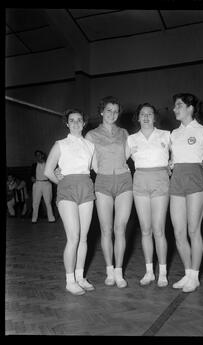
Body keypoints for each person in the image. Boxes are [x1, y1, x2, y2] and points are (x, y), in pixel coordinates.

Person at [169, 93, 203, 292]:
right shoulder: (173, 134)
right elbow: (174, 160)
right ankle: (187, 273)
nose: (175, 109)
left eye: (178, 105)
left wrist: (198, 173)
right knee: (179, 232)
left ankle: (195, 276)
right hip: (177, 182)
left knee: (193, 230)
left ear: (190, 108)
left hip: (196, 184)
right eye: (175, 106)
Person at [44, 109, 96, 296]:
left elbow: (96, 167)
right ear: (67, 123)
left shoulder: (90, 145)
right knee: (73, 237)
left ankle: (80, 276)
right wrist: (63, 183)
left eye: (79, 120)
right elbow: (48, 171)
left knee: (83, 237)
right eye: (71, 120)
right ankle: (70, 280)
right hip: (67, 191)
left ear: (84, 123)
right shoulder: (60, 144)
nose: (75, 123)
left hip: (86, 188)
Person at [85, 96, 133, 288]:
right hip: (103, 181)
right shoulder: (91, 135)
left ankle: (119, 272)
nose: (112, 114)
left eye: (115, 111)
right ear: (101, 112)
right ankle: (109, 270)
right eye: (109, 110)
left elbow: (130, 155)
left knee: (120, 228)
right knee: (106, 229)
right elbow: (90, 162)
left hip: (124, 181)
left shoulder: (124, 133)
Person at [126, 103, 170, 287]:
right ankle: (149, 271)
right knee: (145, 229)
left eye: (149, 114)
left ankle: (163, 273)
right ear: (138, 118)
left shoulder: (166, 135)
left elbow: (181, 155)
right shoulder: (131, 139)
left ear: (154, 117)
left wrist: (173, 164)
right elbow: (119, 160)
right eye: (142, 114)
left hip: (160, 178)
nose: (145, 117)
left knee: (158, 229)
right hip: (140, 180)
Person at [31, 150, 56, 223]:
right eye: (36, 155)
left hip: (46, 184)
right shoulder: (34, 165)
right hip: (37, 183)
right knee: (35, 202)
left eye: (39, 155)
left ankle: (51, 218)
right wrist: (32, 178)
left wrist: (53, 179)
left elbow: (53, 173)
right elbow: (31, 174)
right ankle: (34, 219)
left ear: (42, 155)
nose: (38, 157)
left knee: (48, 202)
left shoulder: (48, 164)